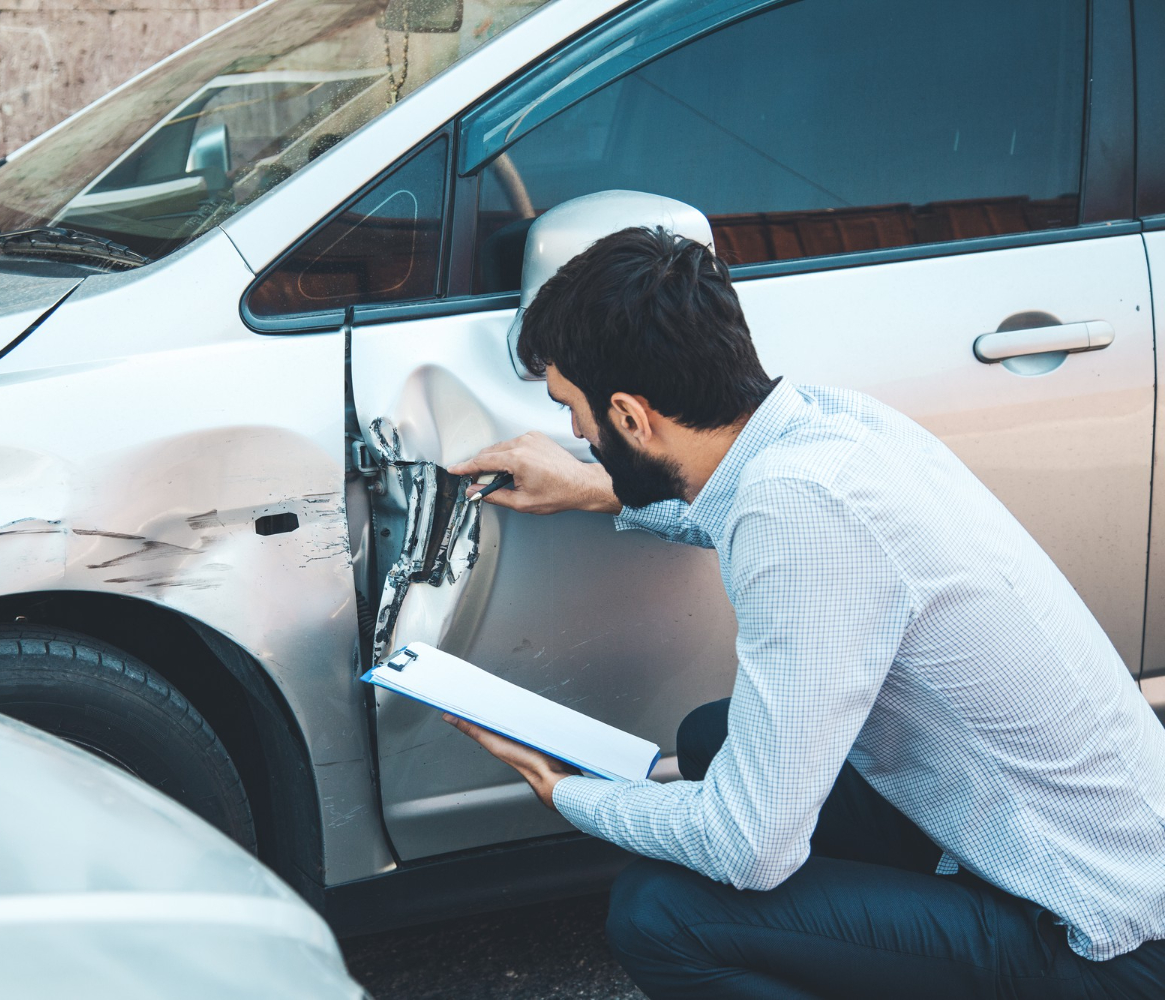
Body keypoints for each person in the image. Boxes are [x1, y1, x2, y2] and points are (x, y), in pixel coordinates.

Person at [445, 226, 1165, 998]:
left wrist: (568, 792)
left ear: (629, 414)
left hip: (1096, 935)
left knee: (658, 913)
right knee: (710, 739)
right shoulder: (827, 427)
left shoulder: (798, 515)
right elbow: (728, 506)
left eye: (573, 411)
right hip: (1093, 847)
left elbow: (750, 848)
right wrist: (592, 486)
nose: (578, 435)